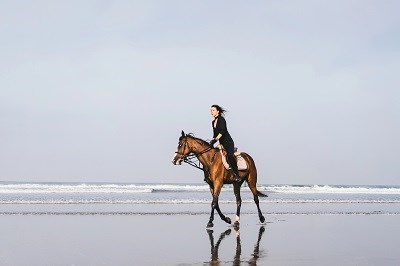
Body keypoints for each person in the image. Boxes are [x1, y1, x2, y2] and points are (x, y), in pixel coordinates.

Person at [209, 105, 241, 182]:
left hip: (228, 142)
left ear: (218, 111)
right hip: (221, 143)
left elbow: (222, 132)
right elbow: (215, 134)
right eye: (211, 110)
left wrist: (216, 139)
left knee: (230, 156)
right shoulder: (213, 122)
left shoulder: (221, 119)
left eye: (213, 110)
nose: (211, 112)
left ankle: (237, 175)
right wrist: (212, 141)